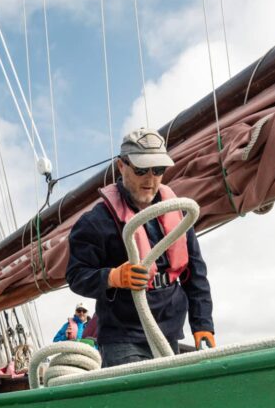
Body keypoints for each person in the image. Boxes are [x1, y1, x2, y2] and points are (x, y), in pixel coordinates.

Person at [66, 127, 215, 368]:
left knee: (168, 397)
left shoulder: (175, 211)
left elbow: (195, 272)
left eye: (158, 170)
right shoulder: (95, 222)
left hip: (169, 329)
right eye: (141, 170)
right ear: (121, 166)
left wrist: (202, 324)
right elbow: (75, 275)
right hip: (123, 337)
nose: (150, 179)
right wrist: (113, 277)